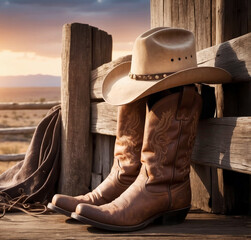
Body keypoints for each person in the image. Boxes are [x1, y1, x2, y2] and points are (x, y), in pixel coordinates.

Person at [48, 27, 231, 231]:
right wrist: (125, 174)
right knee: (128, 157)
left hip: (163, 187)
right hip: (158, 188)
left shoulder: (184, 98)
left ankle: (160, 194)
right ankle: (137, 185)